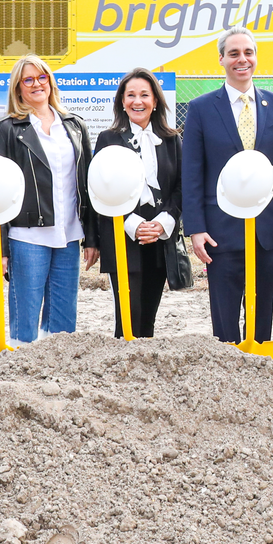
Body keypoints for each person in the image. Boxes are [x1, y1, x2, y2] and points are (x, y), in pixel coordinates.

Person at [181, 25, 273, 346]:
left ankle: (260, 372)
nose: (242, 59)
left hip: (269, 230)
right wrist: (195, 228)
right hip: (220, 232)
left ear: (256, 58)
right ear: (221, 59)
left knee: (262, 313)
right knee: (224, 318)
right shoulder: (201, 109)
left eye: (248, 52)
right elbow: (192, 173)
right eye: (234, 53)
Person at [0, 56, 93, 344]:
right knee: (25, 323)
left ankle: (57, 379)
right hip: (27, 237)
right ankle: (23, 379)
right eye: (28, 80)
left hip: (70, 235)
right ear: (18, 88)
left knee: (63, 324)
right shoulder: (7, 129)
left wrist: (92, 238)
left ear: (50, 81)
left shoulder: (74, 125)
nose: (37, 84)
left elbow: (87, 185)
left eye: (42, 77)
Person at [90, 68, 185, 340]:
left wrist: (162, 223)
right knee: (128, 316)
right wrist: (134, 224)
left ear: (155, 101)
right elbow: (100, 189)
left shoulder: (171, 140)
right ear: (122, 101)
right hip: (123, 235)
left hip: (159, 235)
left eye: (144, 94)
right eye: (130, 95)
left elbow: (181, 187)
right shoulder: (108, 139)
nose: (137, 101)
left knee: (148, 318)